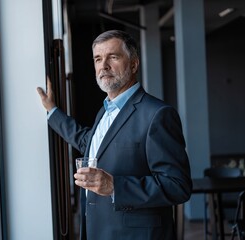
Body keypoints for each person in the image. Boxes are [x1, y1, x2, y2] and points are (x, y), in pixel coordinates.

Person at [37, 30, 192, 240]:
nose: (104, 66)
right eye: (98, 59)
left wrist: (115, 186)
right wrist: (52, 111)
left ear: (134, 64)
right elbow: (89, 142)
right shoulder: (105, 110)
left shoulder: (158, 114)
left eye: (113, 57)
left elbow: (178, 186)